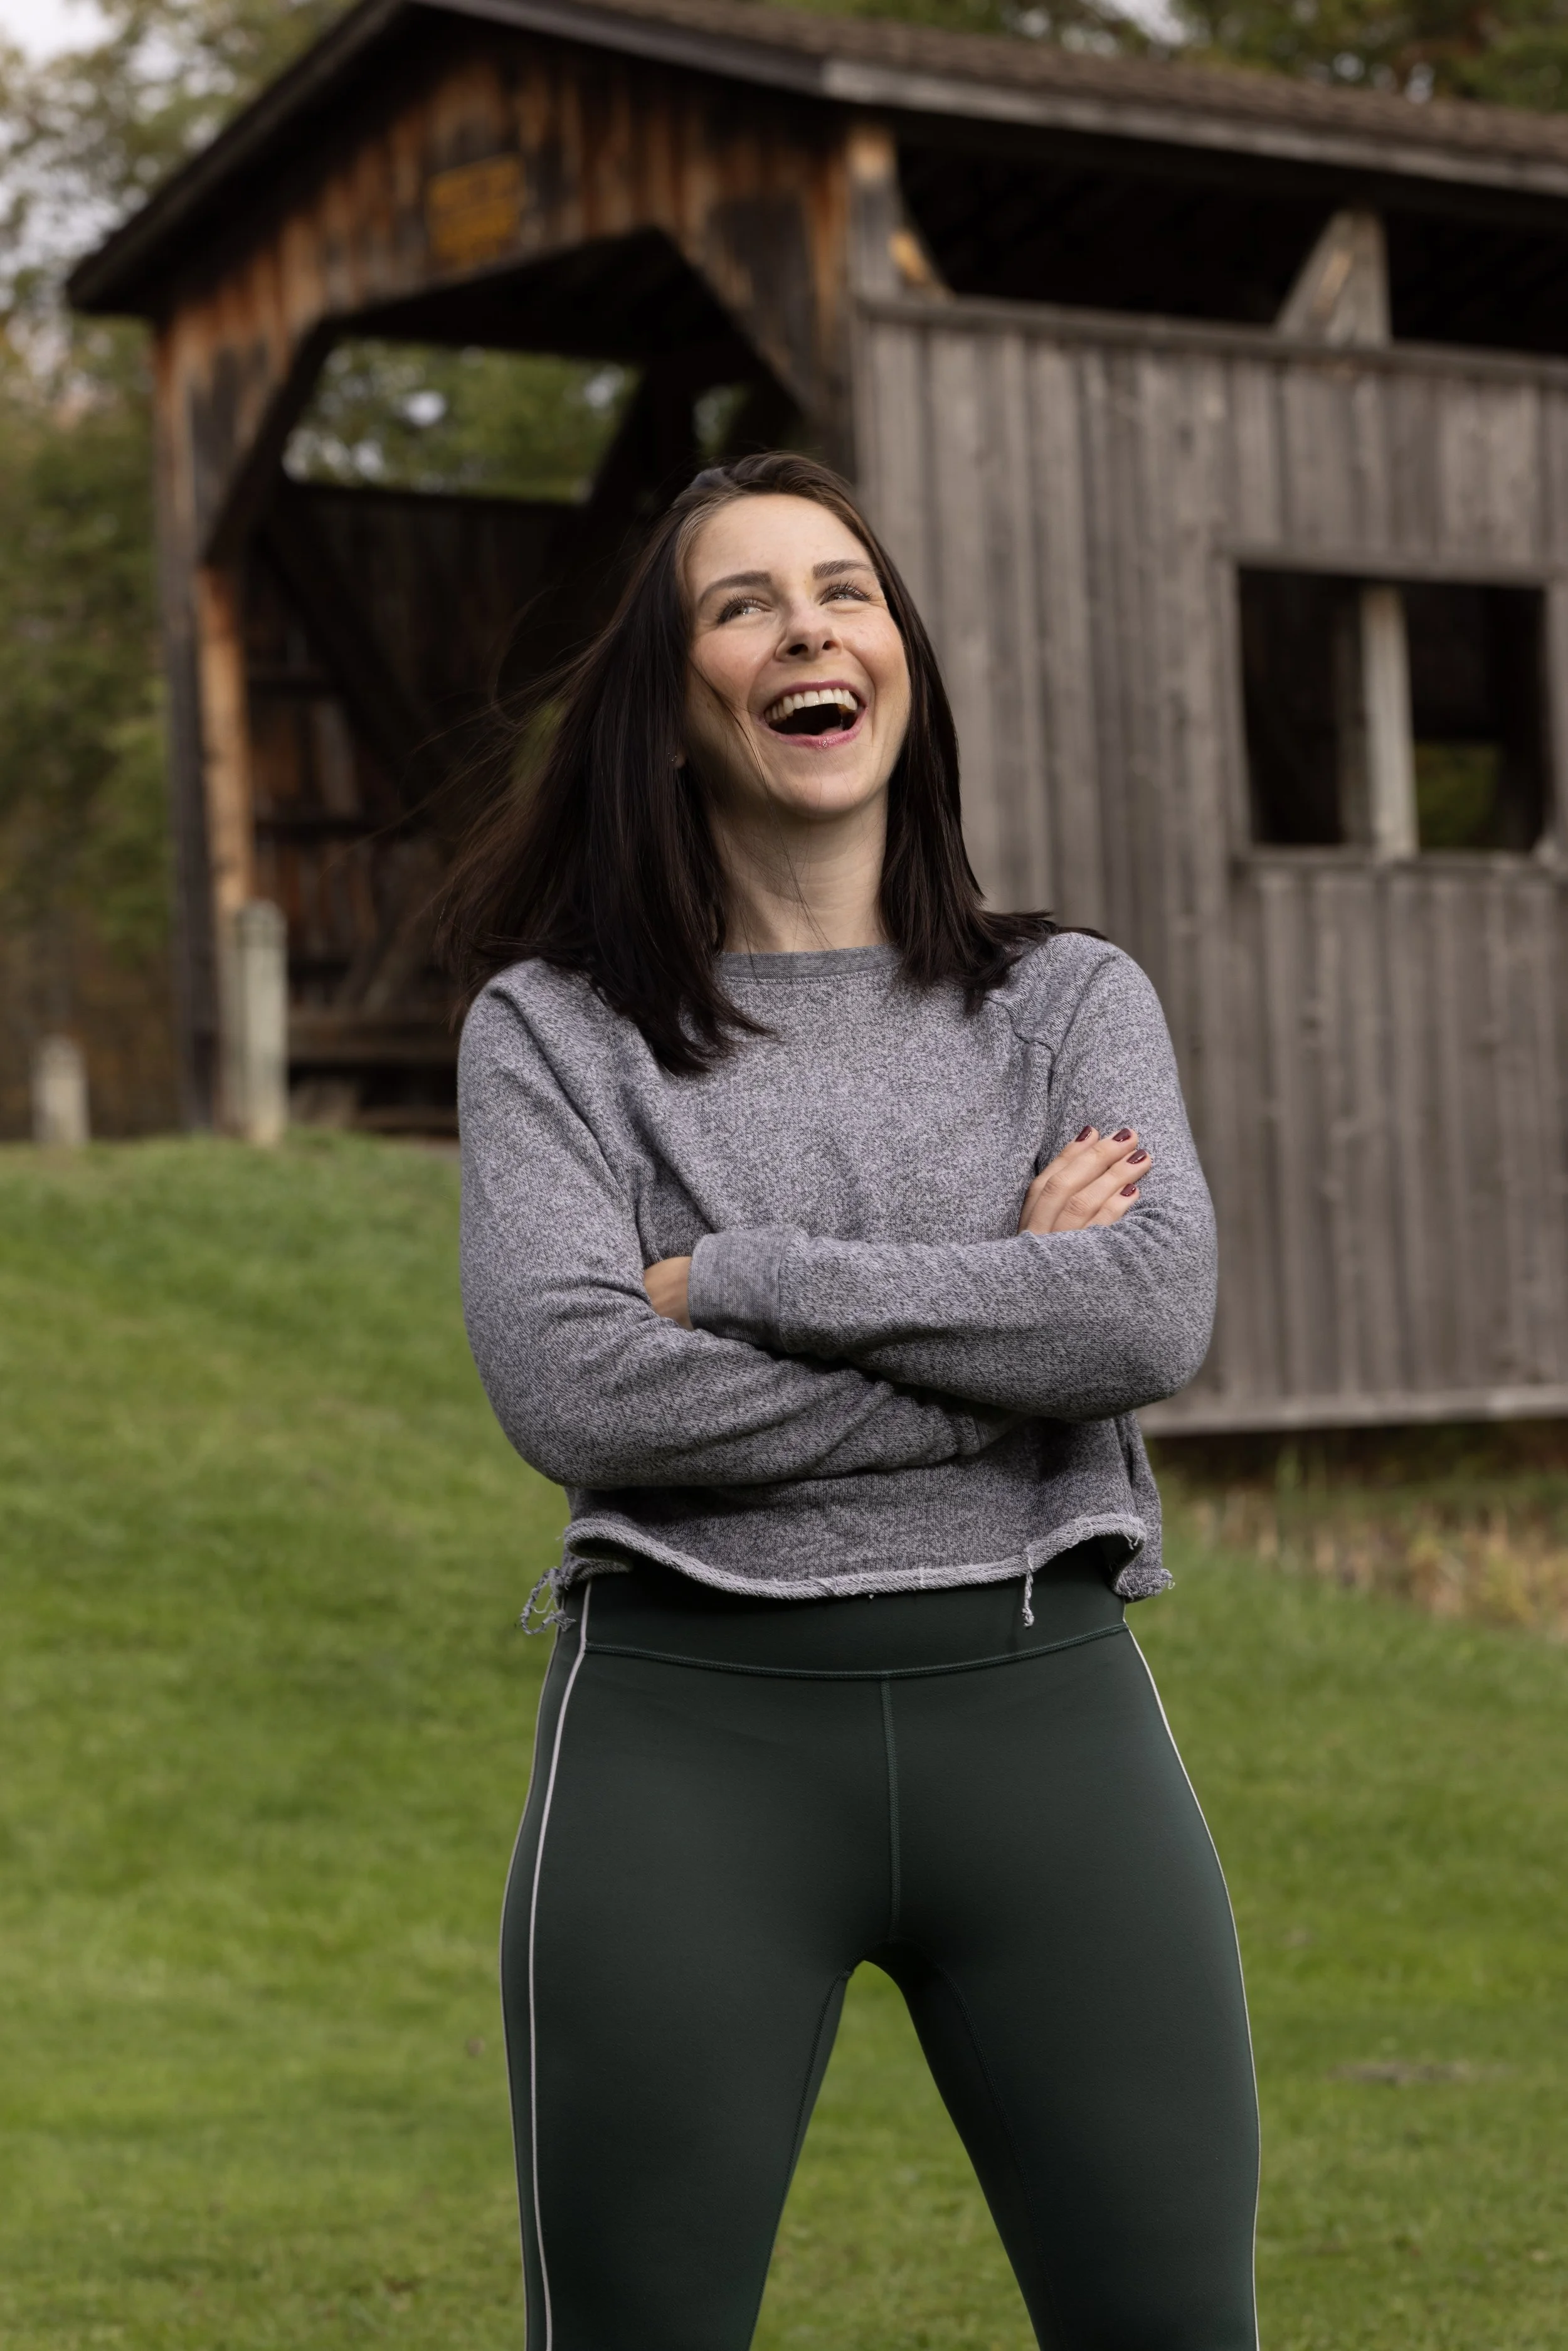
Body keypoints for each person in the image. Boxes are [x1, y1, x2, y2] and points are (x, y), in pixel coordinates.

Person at [445, 452, 1259, 2351]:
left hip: (1050, 1717)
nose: (807, 626)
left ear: (897, 666)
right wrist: (1004, 1323)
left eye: (845, 591)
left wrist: (740, 1275)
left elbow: (1144, 1314)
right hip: (682, 1743)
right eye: (743, 603)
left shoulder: (1067, 1000)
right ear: (669, 708)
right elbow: (581, 1385)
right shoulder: (551, 1032)